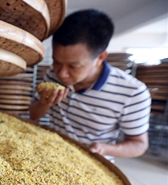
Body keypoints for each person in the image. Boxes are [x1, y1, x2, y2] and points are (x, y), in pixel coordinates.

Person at [29, 9, 151, 162]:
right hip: (53, 154)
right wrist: (44, 103)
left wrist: (104, 148)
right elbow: (34, 115)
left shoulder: (133, 93)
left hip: (92, 163)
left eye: (73, 66)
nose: (61, 73)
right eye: (56, 62)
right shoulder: (52, 75)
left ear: (100, 57)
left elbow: (139, 144)